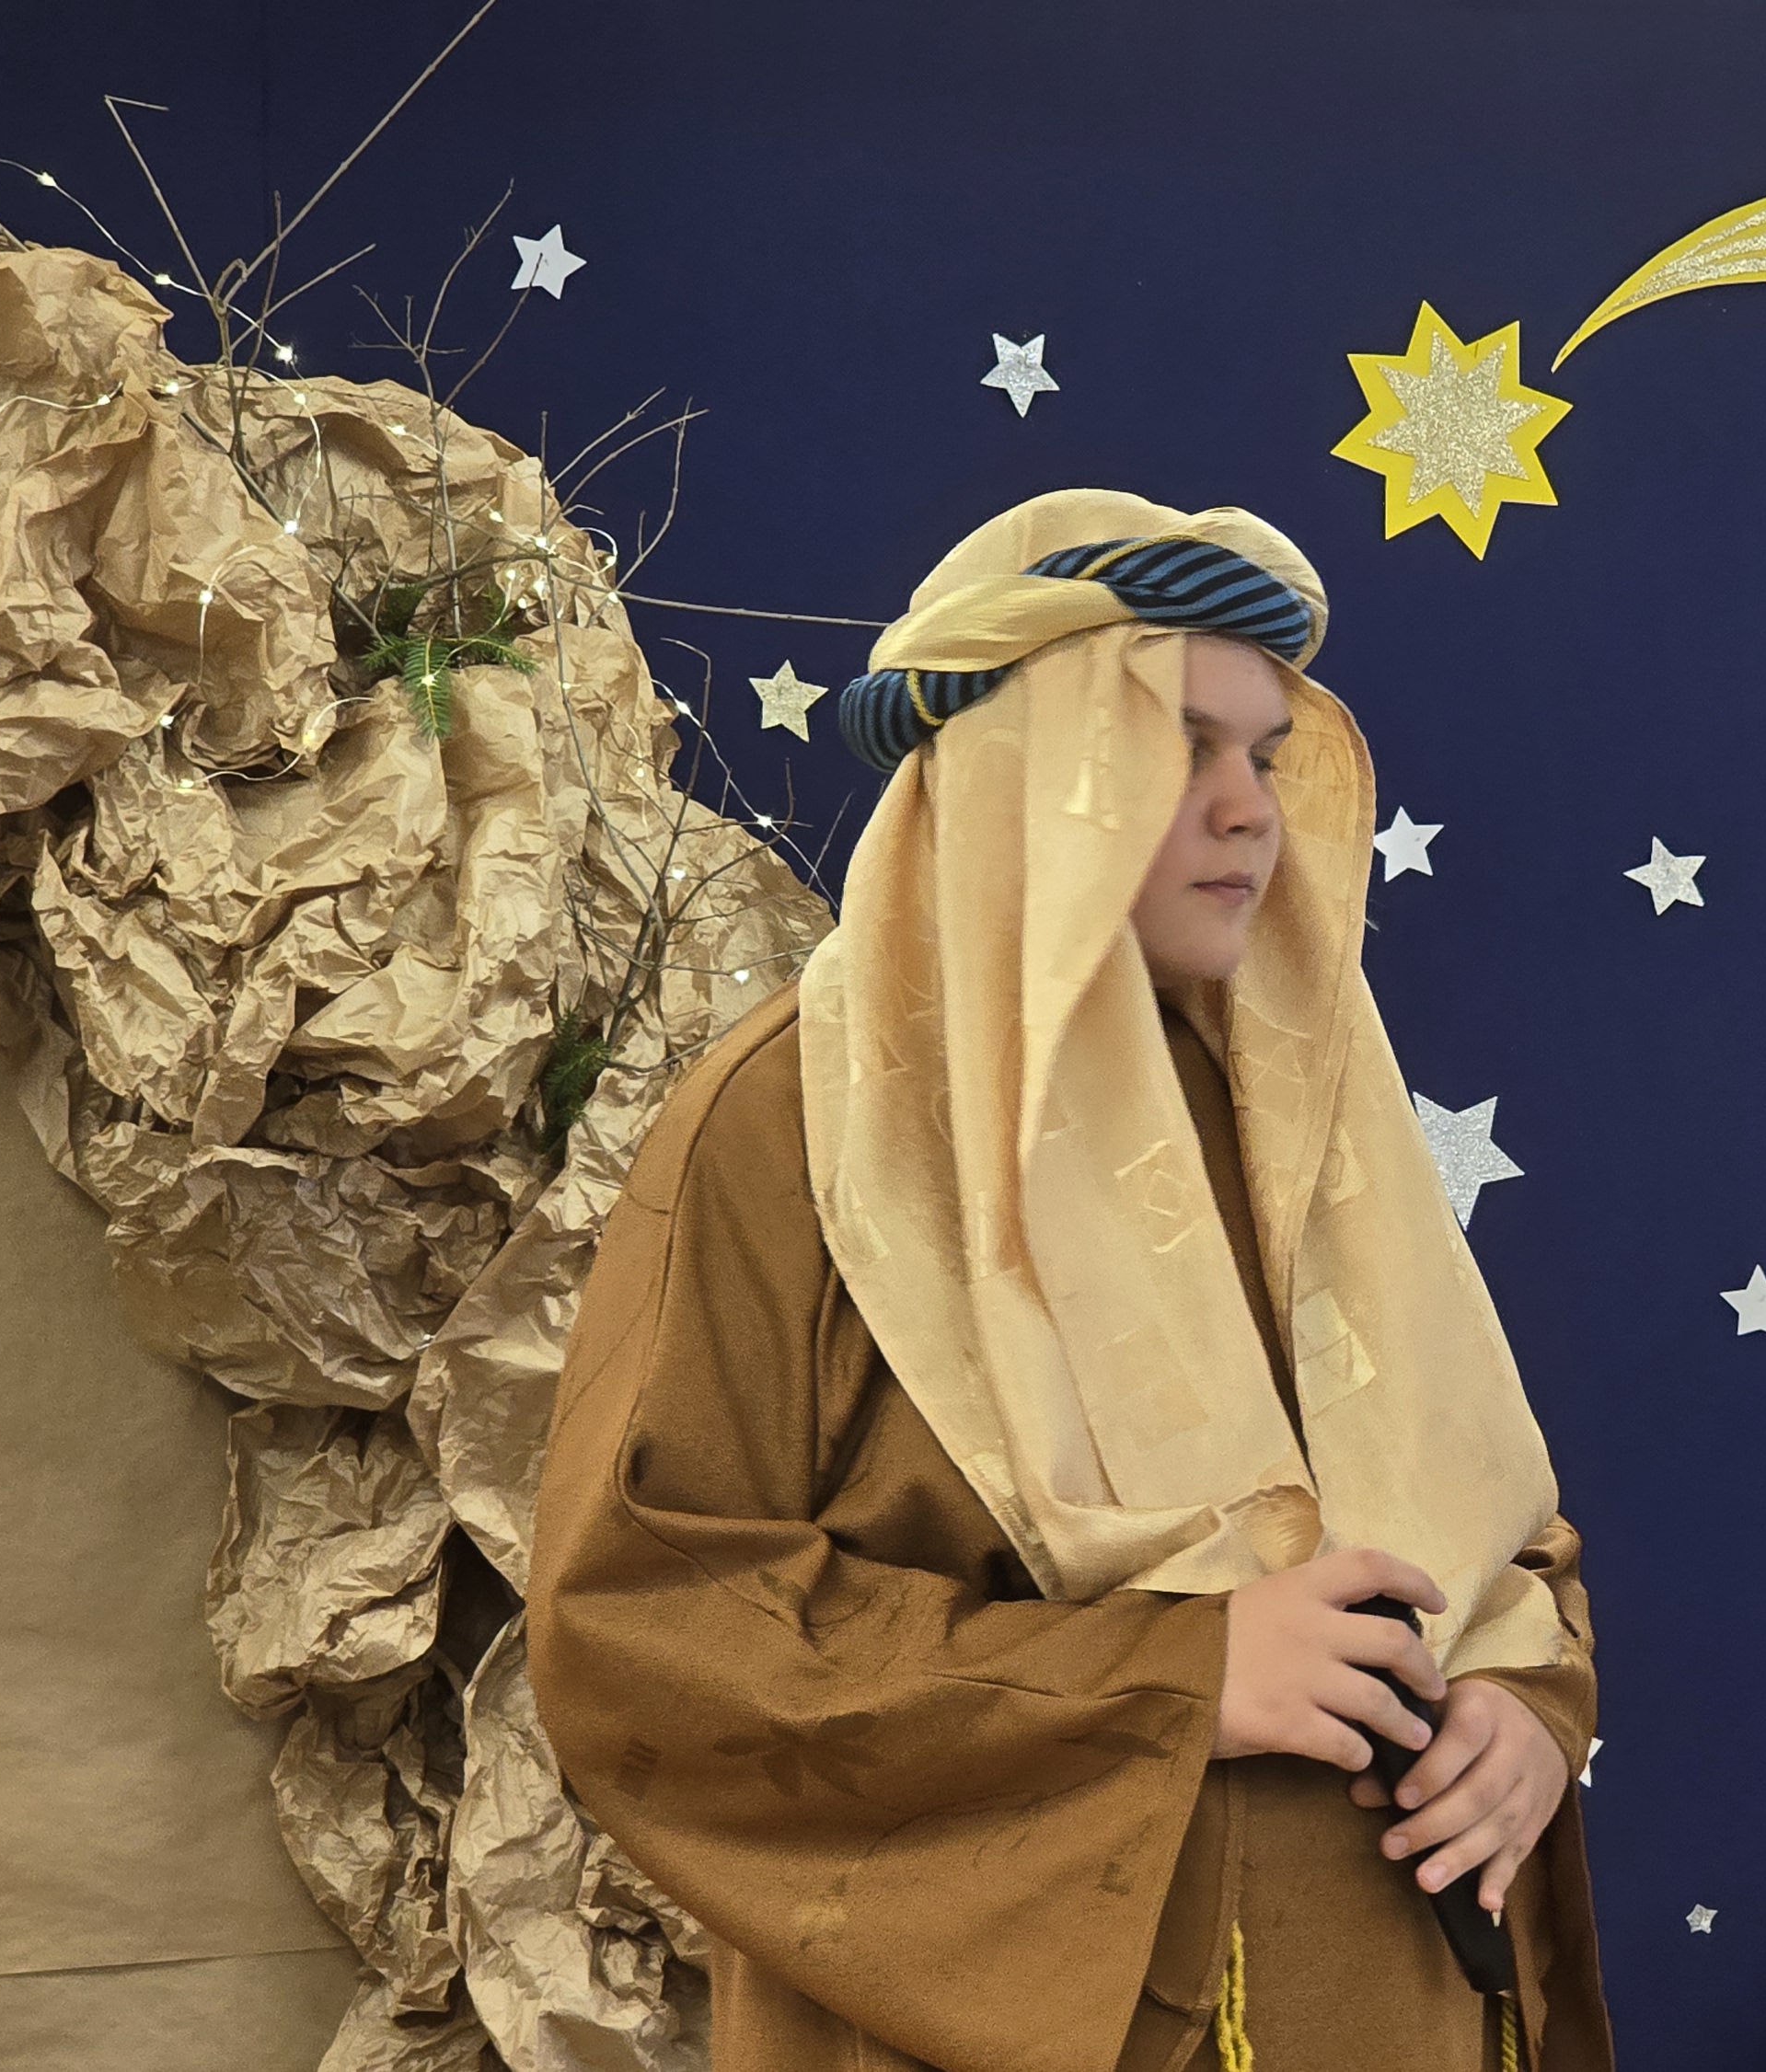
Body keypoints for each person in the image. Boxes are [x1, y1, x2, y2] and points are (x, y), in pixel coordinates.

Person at [525, 489, 1610, 2072]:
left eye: (1265, 754)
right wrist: (1174, 1675)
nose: (1249, 811)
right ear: (1020, 766)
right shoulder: (794, 1126)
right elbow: (650, 1637)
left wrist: (1529, 1702)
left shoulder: (1296, 1105)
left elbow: (1484, 1519)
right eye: (1179, 746)